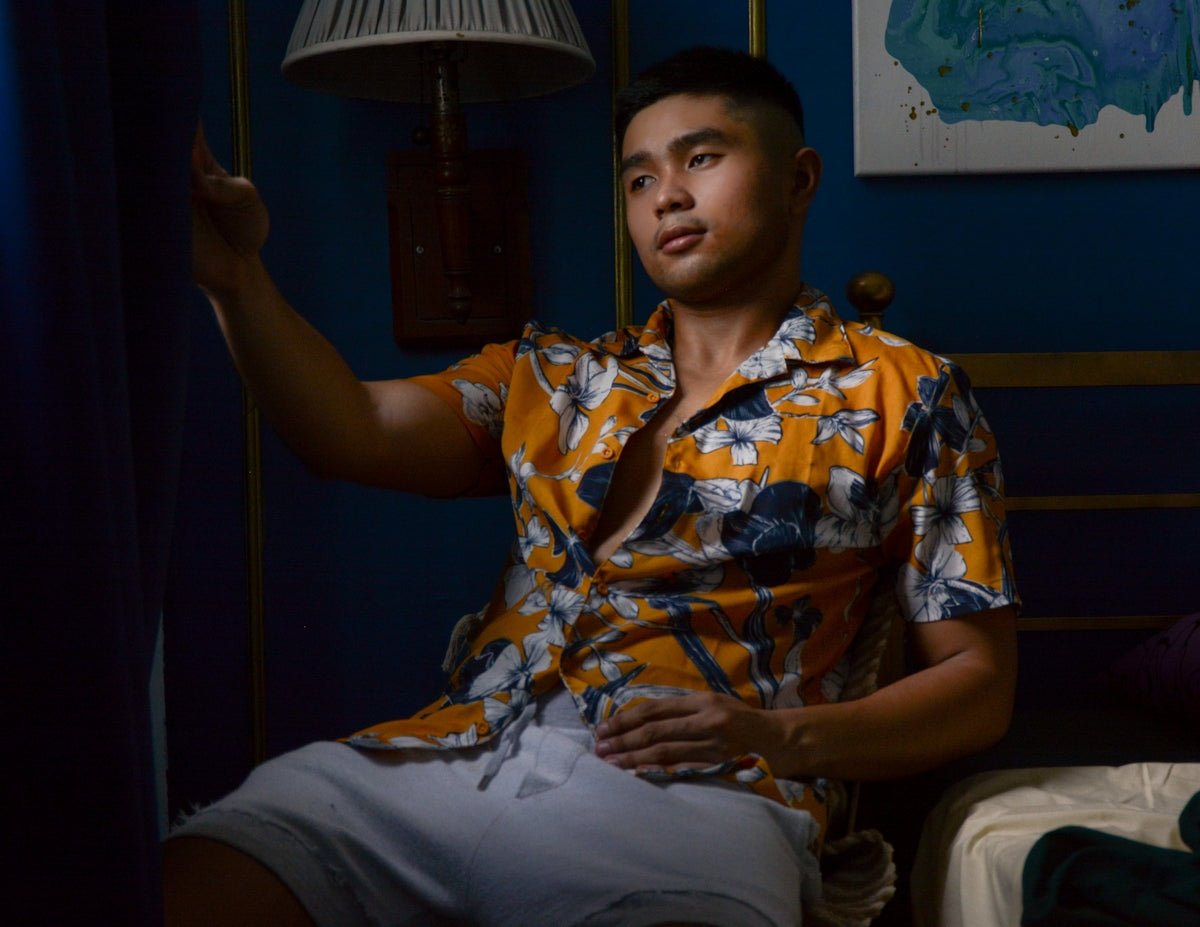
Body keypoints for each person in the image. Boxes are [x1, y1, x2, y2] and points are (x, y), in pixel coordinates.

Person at [168, 46, 1019, 927]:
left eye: (701, 158)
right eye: (639, 178)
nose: (668, 197)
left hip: (697, 799)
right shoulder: (551, 374)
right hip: (444, 761)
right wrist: (236, 280)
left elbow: (976, 680)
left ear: (798, 178)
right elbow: (347, 429)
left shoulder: (904, 392)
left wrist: (778, 737)